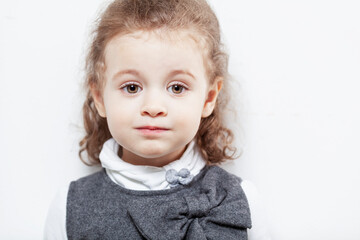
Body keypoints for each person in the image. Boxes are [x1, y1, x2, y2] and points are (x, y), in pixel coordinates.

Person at [44, 0, 270, 239]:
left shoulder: (243, 199)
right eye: (131, 87)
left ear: (208, 98)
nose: (153, 107)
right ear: (99, 97)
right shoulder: (69, 206)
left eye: (177, 87)